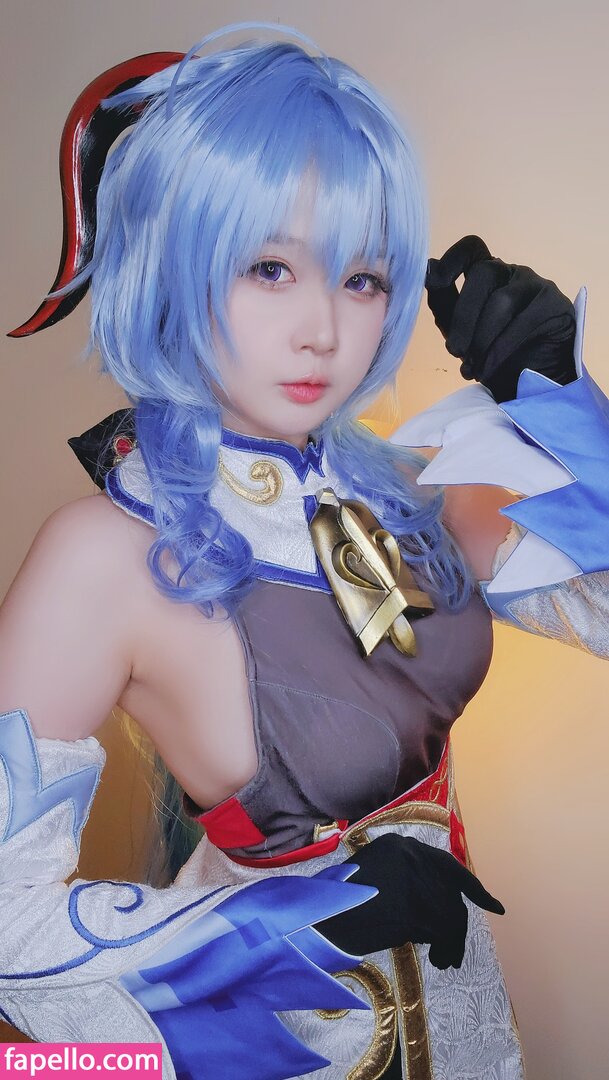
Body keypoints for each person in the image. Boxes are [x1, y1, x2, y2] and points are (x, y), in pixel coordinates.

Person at [2, 22, 608, 1080]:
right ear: (173, 264)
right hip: (288, 1052)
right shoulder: (102, 556)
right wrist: (298, 918)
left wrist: (566, 411)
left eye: (363, 278)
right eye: (269, 268)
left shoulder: (405, 482)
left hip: (468, 1036)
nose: (323, 329)